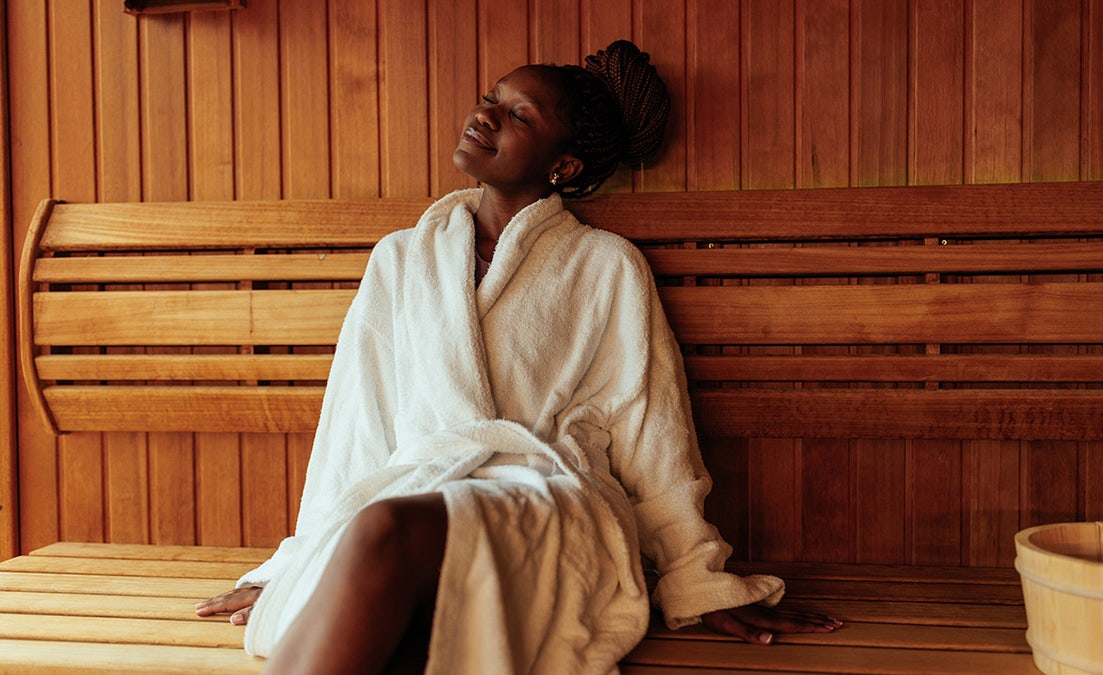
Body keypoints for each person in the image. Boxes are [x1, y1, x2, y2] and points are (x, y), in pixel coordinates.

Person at [194, 40, 841, 675]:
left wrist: (694, 578)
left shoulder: (606, 266)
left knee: (386, 533)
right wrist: (298, 559)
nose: (486, 116)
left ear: (563, 167)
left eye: (519, 114)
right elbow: (355, 429)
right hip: (419, 495)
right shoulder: (401, 259)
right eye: (490, 99)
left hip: (551, 504)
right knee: (390, 584)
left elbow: (651, 433)